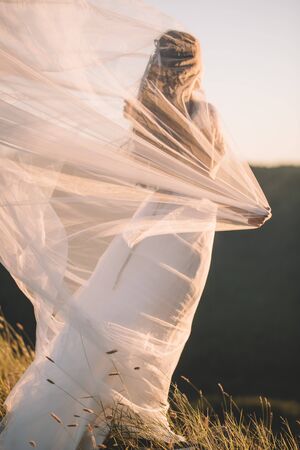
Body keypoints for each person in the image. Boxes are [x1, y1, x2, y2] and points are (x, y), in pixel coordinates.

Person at [0, 11, 271, 450]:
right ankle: (124, 423)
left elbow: (151, 179)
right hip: (185, 237)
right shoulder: (206, 112)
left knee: (111, 317)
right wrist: (246, 209)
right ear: (195, 66)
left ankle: (77, 422)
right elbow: (207, 183)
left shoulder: (147, 110)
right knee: (155, 328)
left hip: (145, 225)